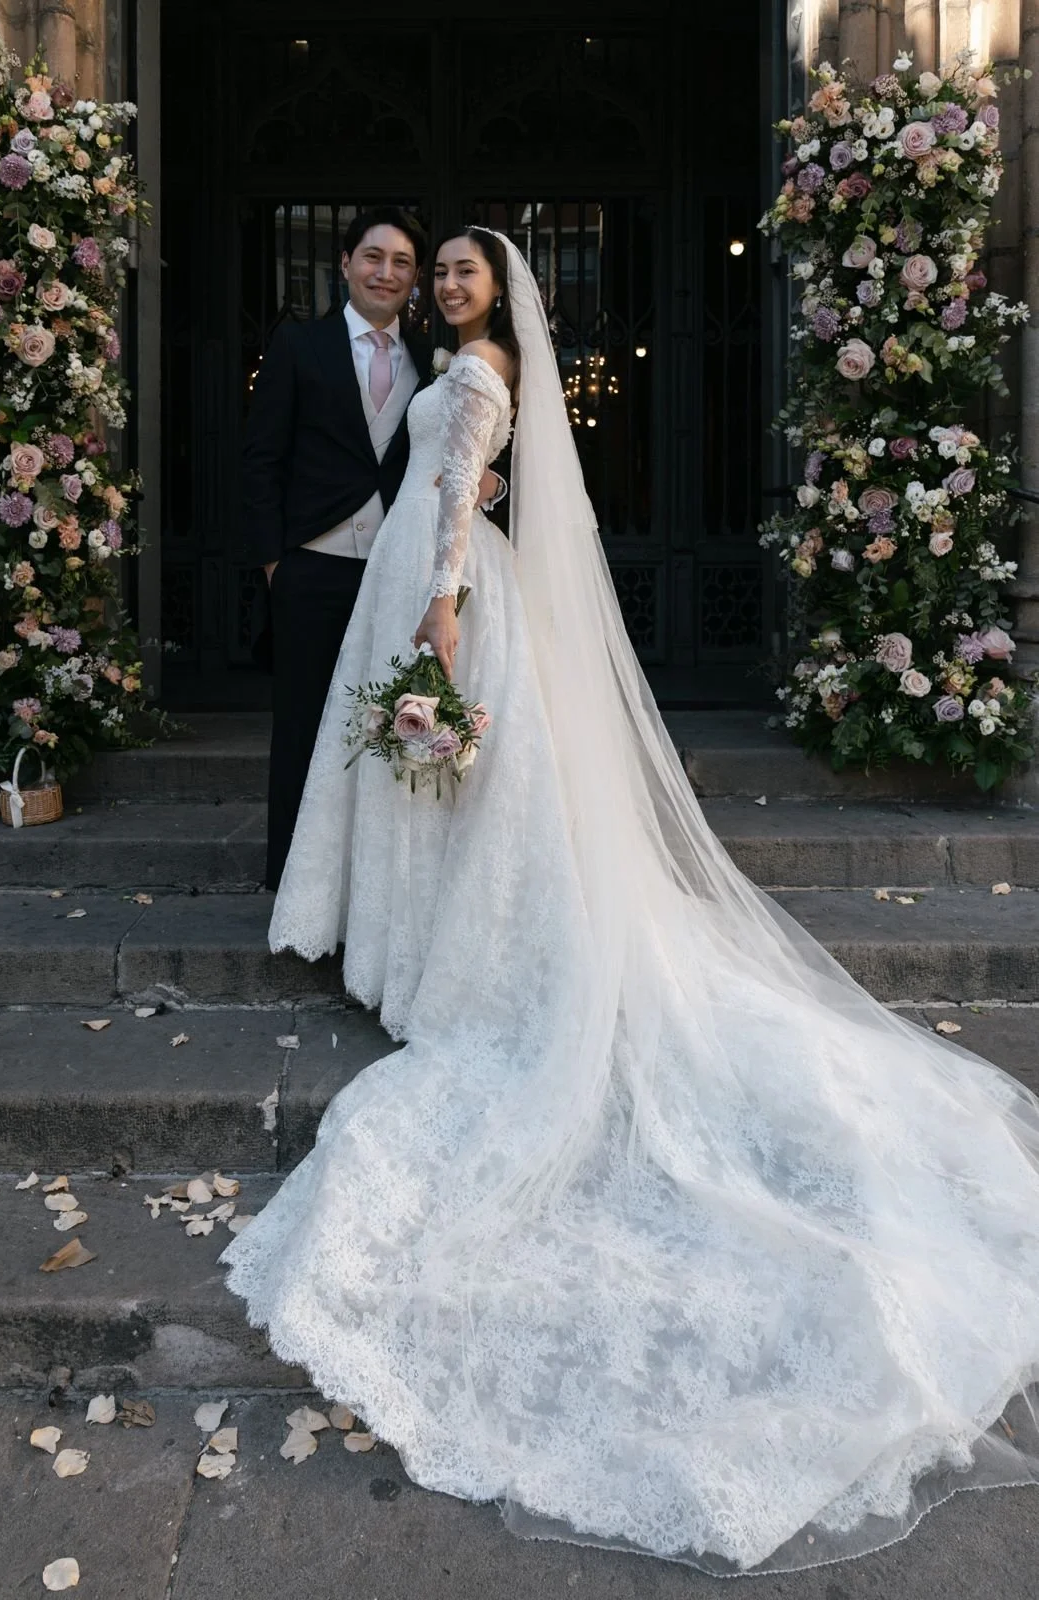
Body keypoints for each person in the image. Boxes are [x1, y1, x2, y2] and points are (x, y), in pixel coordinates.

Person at [221, 228, 1039, 1575]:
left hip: (438, 581)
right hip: (413, 571)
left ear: (500, 290)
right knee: (435, 783)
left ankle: (435, 947)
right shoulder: (459, 362)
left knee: (450, 776)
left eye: (463, 272)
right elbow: (454, 472)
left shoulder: (475, 372)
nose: (445, 285)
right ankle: (402, 933)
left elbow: (455, 489)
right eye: (437, 272)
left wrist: (440, 607)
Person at [242, 207, 501, 889]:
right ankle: (291, 882)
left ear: (414, 280)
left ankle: (364, 892)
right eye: (373, 257)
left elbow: (460, 452)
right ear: (347, 263)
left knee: (381, 725)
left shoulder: (434, 357)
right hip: (312, 565)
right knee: (304, 727)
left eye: (402, 264)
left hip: (396, 571)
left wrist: (492, 482)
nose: (386, 273)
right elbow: (261, 460)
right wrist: (276, 566)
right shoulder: (299, 345)